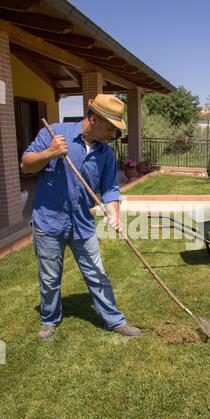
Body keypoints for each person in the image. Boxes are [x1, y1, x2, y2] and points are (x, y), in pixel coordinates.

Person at [21, 94, 141, 340]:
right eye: (110, 127)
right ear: (94, 119)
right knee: (50, 277)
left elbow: (110, 188)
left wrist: (114, 212)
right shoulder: (55, 133)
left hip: (82, 224)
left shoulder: (105, 153)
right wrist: (50, 153)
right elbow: (25, 164)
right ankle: (49, 319)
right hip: (49, 220)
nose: (113, 134)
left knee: (97, 274)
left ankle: (115, 320)